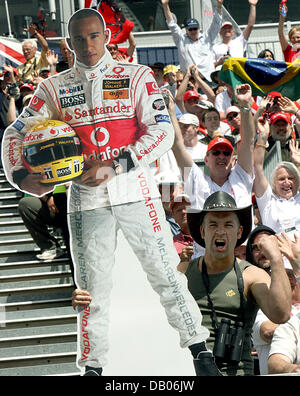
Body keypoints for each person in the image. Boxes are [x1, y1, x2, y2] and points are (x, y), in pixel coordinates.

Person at [2, 8, 222, 377]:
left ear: (105, 36)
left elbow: (162, 131)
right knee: (91, 289)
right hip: (85, 199)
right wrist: (21, 177)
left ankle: (200, 354)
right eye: (78, 39)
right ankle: (92, 367)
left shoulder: (136, 77)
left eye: (93, 36)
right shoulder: (52, 88)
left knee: (166, 274)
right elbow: (14, 134)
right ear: (67, 44)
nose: (87, 45)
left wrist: (118, 165)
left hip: (135, 189)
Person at [181, 191, 291, 376]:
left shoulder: (252, 275)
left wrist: (276, 260)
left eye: (228, 224)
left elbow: (281, 315)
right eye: (213, 224)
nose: (220, 231)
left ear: (239, 232)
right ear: (202, 231)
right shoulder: (183, 273)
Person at [253, 117, 300, 240]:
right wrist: (263, 136)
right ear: (273, 183)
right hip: (278, 257)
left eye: (291, 178)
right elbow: (257, 167)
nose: (286, 182)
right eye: (281, 179)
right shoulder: (268, 200)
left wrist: (299, 163)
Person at [17, 186, 74, 279]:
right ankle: (51, 247)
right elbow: (34, 184)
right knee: (25, 204)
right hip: (55, 207)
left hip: (79, 203)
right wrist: (47, 198)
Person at [161, 0, 224, 83]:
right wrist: (165, 5)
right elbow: (172, 24)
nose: (193, 31)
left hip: (207, 81)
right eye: (190, 29)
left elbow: (216, 23)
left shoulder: (207, 37)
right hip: (189, 81)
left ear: (199, 28)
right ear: (186, 30)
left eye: (195, 28)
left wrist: (219, 5)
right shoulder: (181, 40)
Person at [213, 0, 259, 67]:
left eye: (229, 28)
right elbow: (210, 66)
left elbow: (250, 25)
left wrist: (253, 6)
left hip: (237, 75)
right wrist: (219, 62)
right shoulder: (215, 47)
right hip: (221, 75)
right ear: (220, 32)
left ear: (233, 32)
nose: (227, 30)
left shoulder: (239, 41)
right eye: (224, 28)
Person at [169, 193, 194, 261]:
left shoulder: (209, 235)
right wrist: (182, 260)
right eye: (179, 210)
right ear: (173, 217)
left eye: (187, 208)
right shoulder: (171, 246)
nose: (183, 211)